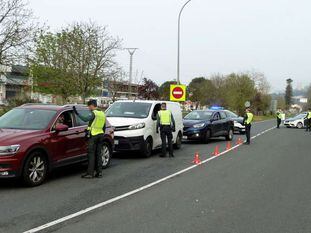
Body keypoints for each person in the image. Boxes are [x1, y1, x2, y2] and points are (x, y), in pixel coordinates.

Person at [73, 100, 106, 179]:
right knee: (98, 154)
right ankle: (99, 173)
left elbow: (85, 119)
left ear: (92, 105)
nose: (88, 108)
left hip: (93, 135)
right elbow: (104, 126)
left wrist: (77, 113)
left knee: (91, 154)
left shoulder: (94, 113)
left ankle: (90, 173)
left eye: (89, 106)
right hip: (101, 135)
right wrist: (102, 134)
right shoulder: (102, 113)